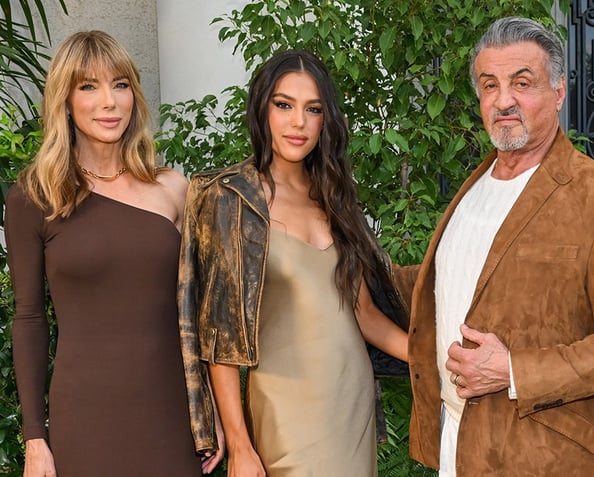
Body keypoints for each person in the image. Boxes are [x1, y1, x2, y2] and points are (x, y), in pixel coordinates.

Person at [396, 16, 594, 476]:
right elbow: (456, 286)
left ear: (559, 92)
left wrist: (514, 370)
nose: (504, 100)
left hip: (542, 458)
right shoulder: (474, 187)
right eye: (489, 84)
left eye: (523, 82)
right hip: (457, 446)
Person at [178, 49, 410, 477]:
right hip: (284, 411)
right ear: (262, 108)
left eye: (313, 109)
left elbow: (364, 314)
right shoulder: (231, 198)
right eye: (284, 105)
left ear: (326, 121)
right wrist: (241, 448)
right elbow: (220, 339)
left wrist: (433, 356)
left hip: (350, 403)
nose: (298, 122)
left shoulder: (335, 198)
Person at [4, 31, 220, 476]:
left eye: (120, 84)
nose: (109, 102)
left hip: (171, 414)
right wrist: (35, 438)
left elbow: (197, 316)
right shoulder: (34, 198)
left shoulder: (174, 189)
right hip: (83, 418)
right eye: (89, 86)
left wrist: (211, 411)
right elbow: (28, 318)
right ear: (64, 100)